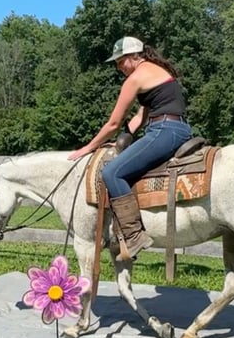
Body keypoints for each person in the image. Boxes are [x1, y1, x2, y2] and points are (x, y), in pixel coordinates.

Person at [68, 36, 193, 261]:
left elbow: (113, 123)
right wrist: (125, 137)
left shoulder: (135, 79)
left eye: (120, 61)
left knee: (112, 172)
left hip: (163, 130)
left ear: (134, 56)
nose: (118, 67)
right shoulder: (157, 71)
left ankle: (134, 236)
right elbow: (140, 116)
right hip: (177, 128)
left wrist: (87, 147)